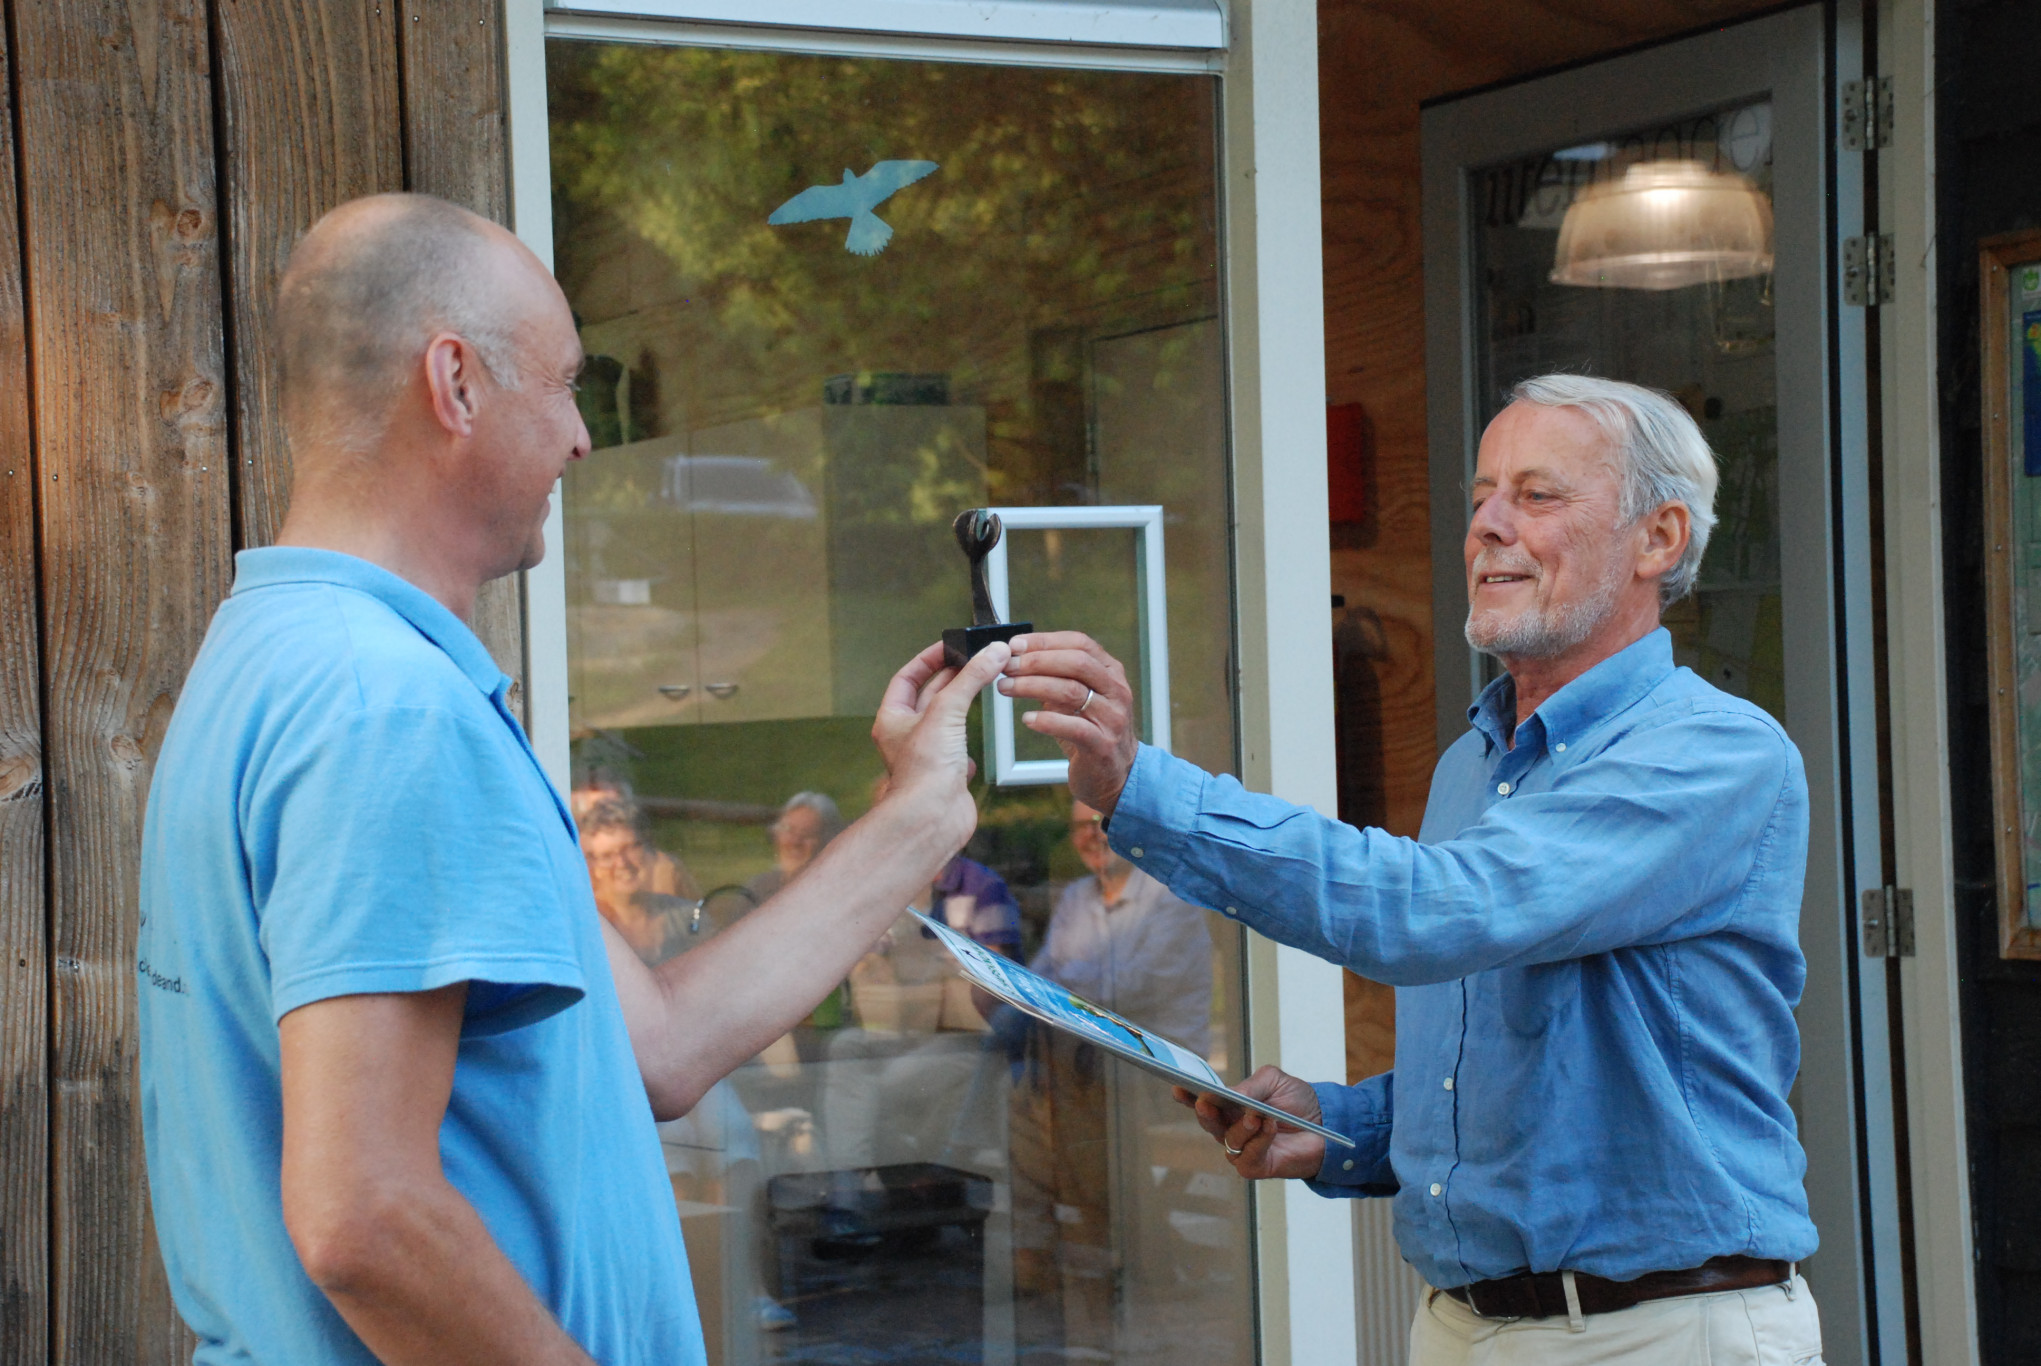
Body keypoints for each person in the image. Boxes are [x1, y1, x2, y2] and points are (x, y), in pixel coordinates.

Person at [135, 192, 1010, 1366]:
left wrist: (916, 816)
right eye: (560, 383)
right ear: (453, 384)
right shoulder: (383, 709)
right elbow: (364, 1216)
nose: (584, 437)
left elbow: (655, 1045)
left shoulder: (288, 656)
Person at [996, 374, 1826, 1365]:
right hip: (1460, 1325)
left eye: (1536, 494)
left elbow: (1432, 913)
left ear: (1657, 539)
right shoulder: (1473, 764)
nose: (1486, 525)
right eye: (1480, 494)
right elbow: (1526, 1077)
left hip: (1656, 1331)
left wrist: (1141, 785)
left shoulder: (1712, 753)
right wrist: (1342, 1126)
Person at [1006, 798, 1217, 1359]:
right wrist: (1070, 989)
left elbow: (1129, 991)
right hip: (1091, 1061)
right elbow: (1045, 982)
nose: (1091, 836)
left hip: (1160, 1071)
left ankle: (1090, 1250)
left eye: (1101, 824)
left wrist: (1070, 989)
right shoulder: (1077, 897)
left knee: (1056, 1100)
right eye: (1078, 827)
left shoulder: (1168, 898)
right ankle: (1098, 1247)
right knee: (1025, 1078)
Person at [576, 795, 703, 963]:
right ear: (592, 866)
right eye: (607, 856)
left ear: (649, 849)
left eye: (629, 848)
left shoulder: (687, 920)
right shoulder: (583, 926)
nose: (622, 863)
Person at [745, 790, 843, 901]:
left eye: (806, 834)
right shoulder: (759, 889)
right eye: (788, 831)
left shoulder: (840, 892)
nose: (794, 842)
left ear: (829, 841)